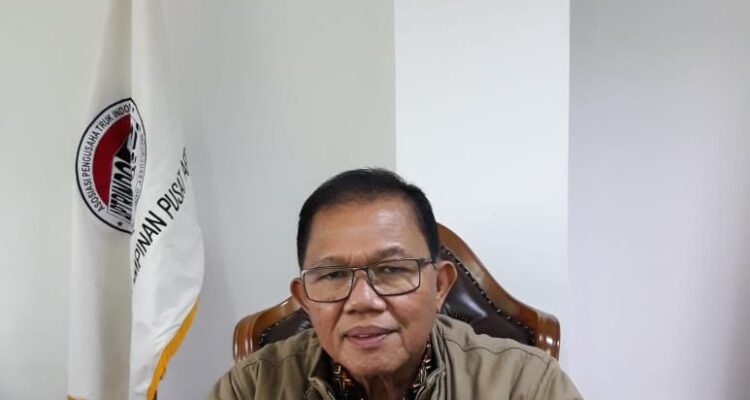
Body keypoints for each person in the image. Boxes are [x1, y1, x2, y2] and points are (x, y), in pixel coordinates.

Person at [210, 168, 582, 399]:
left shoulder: (525, 385)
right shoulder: (250, 388)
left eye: (390, 270)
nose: (362, 301)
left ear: (439, 286)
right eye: (333, 275)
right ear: (305, 299)